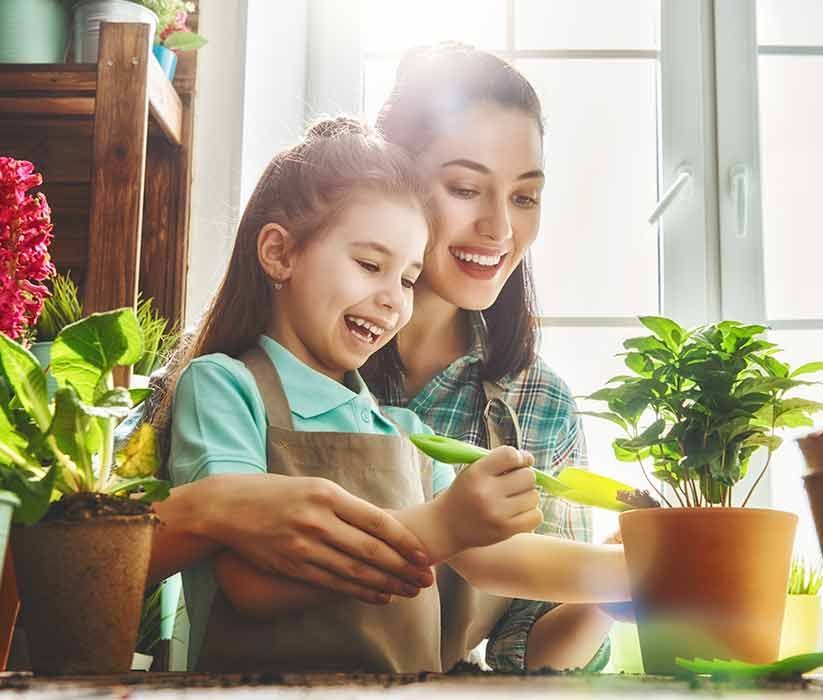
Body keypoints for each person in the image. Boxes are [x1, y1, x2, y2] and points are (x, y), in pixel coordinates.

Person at [159, 117, 628, 672]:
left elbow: (494, 557)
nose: (393, 301)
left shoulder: (405, 432)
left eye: (407, 279)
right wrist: (442, 526)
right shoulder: (225, 386)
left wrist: (634, 570)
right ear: (280, 253)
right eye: (369, 266)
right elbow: (252, 583)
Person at [363, 43, 617, 673]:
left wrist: (627, 575)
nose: (500, 229)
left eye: (525, 197)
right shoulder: (283, 362)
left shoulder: (539, 404)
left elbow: (531, 655)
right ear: (393, 177)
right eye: (466, 188)